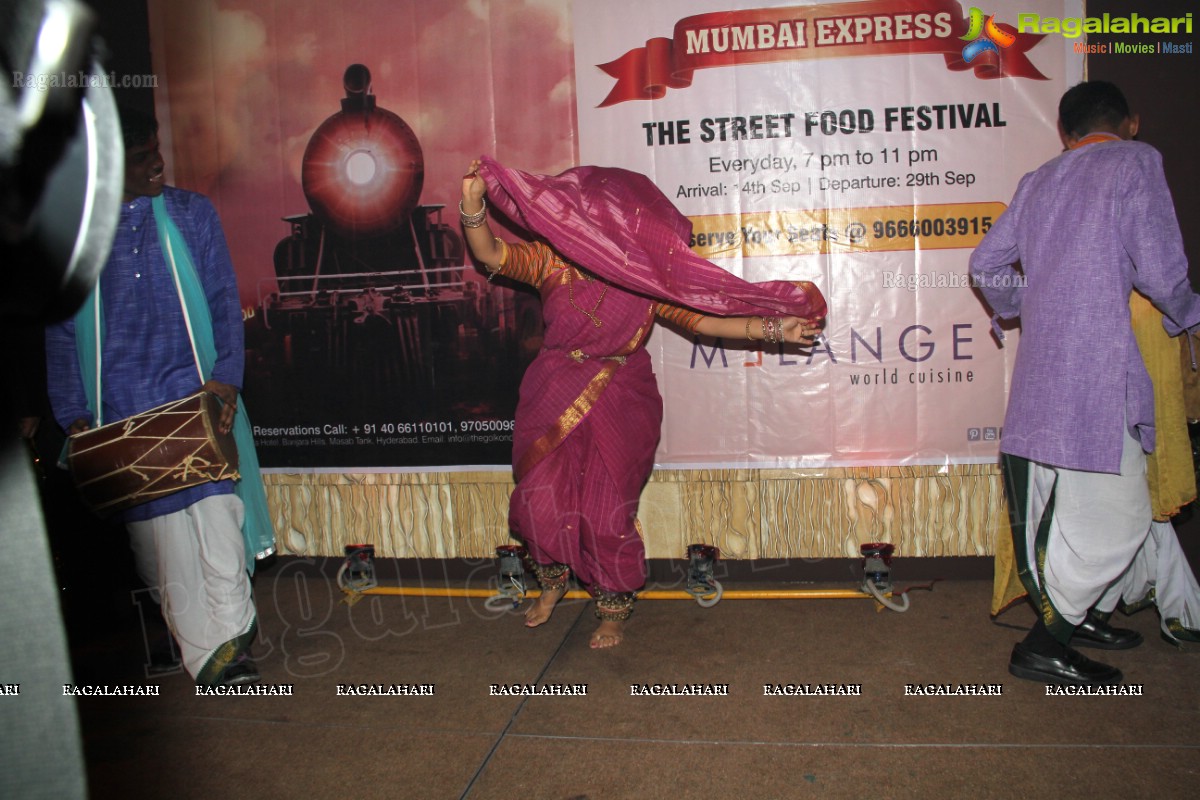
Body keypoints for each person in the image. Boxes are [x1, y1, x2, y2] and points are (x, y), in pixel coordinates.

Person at [461, 156, 826, 648]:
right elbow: (491, 256)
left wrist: (775, 328)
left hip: (620, 392)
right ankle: (551, 583)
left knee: (607, 508)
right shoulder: (552, 258)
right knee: (539, 501)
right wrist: (471, 208)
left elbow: (707, 322)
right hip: (553, 388)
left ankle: (612, 604)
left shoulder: (646, 277)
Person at [970, 81, 1200, 685]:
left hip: (1041, 382)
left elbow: (985, 264)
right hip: (1097, 378)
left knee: (1061, 510)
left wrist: (1032, 304)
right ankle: (1046, 642)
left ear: (1065, 134)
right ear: (1130, 123)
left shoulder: (1039, 179)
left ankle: (1086, 617)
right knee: (1116, 518)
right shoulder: (1136, 161)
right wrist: (1189, 313)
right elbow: (1160, 268)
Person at [44, 107, 274, 686]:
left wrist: (225, 378)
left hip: (194, 395)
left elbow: (224, 299)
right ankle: (209, 656)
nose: (159, 164)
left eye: (157, 151)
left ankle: (233, 640)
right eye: (144, 157)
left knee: (220, 522)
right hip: (122, 410)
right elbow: (61, 329)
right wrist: (72, 411)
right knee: (163, 549)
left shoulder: (191, 214)